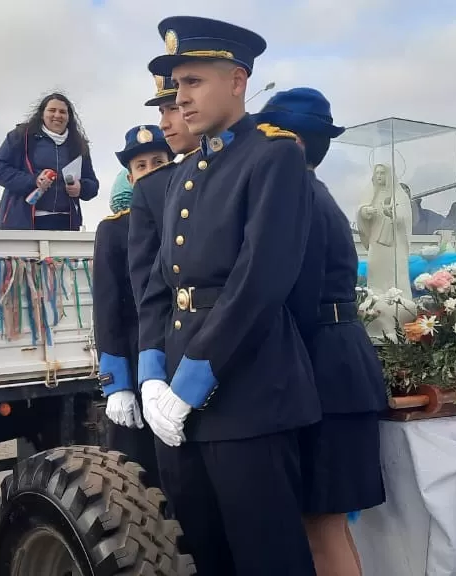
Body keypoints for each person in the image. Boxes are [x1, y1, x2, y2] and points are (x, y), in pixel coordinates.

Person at [136, 16, 321, 575]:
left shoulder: (273, 155)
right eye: (177, 85)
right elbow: (159, 284)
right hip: (177, 399)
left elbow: (260, 280)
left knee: (268, 559)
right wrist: (151, 372)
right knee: (204, 555)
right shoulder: (187, 170)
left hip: (247, 395)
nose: (180, 98)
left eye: (193, 82)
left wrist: (191, 381)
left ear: (238, 80)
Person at [256, 87, 387, 576]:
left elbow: (298, 297)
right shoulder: (316, 193)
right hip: (339, 367)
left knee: (319, 530)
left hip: (326, 372)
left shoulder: (300, 198)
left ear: (290, 144)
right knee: (329, 527)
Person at [95, 124, 174, 488]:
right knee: (139, 478)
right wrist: (117, 384)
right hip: (135, 353)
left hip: (185, 352)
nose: (151, 171)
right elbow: (107, 310)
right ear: (130, 177)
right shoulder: (114, 230)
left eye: (159, 162)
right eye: (141, 166)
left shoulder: (192, 217)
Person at [127, 74, 199, 313]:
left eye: (173, 108)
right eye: (162, 111)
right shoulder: (153, 188)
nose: (163, 124)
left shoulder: (249, 162)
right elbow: (149, 290)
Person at [0, 92, 100, 231]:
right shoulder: (21, 136)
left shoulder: (78, 144)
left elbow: (93, 185)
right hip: (22, 223)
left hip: (66, 223)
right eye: (52, 110)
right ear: (42, 114)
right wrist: (33, 180)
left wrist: (81, 188)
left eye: (63, 112)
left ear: (69, 117)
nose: (57, 115)